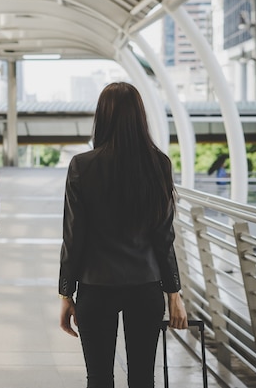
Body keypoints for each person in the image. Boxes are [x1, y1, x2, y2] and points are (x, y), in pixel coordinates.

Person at [58, 82, 188, 387]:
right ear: (140, 118)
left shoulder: (82, 166)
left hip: (96, 286)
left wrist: (66, 292)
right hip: (145, 287)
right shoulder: (159, 164)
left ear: (101, 118)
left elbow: (73, 237)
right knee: (143, 378)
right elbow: (163, 237)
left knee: (100, 378)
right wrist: (174, 292)